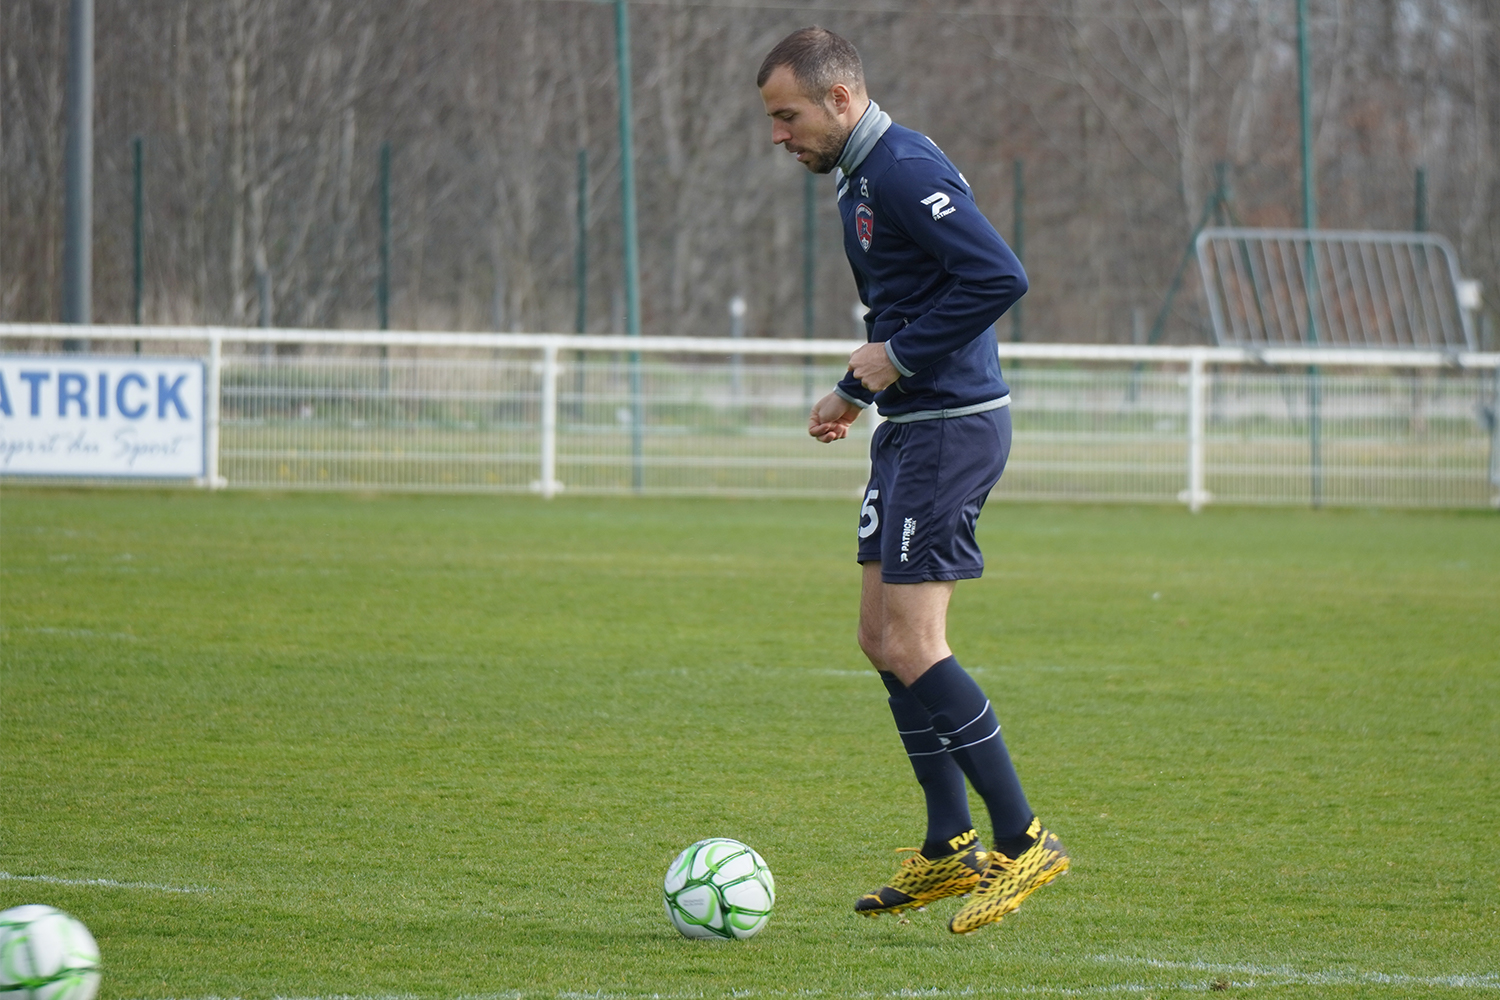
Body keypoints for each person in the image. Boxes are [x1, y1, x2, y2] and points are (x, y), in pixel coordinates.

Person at [756, 27, 1068, 935]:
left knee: (915, 643)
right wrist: (858, 388)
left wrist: (887, 359)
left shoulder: (897, 166)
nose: (779, 135)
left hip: (950, 431)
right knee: (877, 637)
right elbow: (914, 303)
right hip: (909, 428)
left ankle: (1024, 839)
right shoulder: (862, 175)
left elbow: (997, 276)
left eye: (789, 115)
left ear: (841, 98)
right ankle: (947, 847)